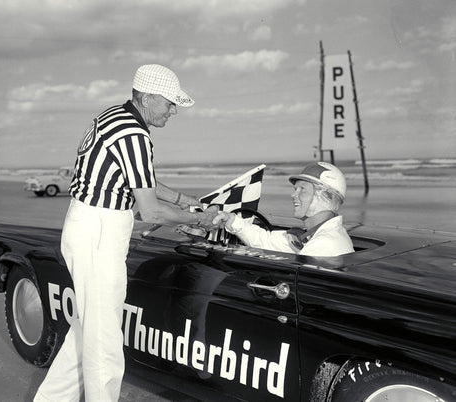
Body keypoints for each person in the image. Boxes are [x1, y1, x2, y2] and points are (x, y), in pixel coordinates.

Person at [34, 64, 217, 402]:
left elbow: (140, 178)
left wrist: (184, 200)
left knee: (85, 332)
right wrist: (203, 221)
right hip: (99, 234)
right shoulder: (134, 134)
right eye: (169, 103)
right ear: (147, 98)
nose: (173, 111)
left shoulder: (113, 117)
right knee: (103, 346)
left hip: (85, 226)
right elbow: (150, 211)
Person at [212, 162, 354, 257]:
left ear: (325, 197)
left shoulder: (324, 243)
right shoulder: (315, 236)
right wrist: (232, 220)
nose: (293, 195)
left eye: (302, 190)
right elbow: (266, 240)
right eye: (295, 189)